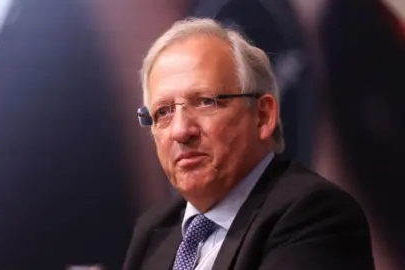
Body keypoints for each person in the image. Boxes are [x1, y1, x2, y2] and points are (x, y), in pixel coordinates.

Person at [124, 17, 374, 270]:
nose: (180, 131)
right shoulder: (155, 228)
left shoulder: (316, 215)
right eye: (163, 112)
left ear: (262, 116)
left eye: (206, 101)